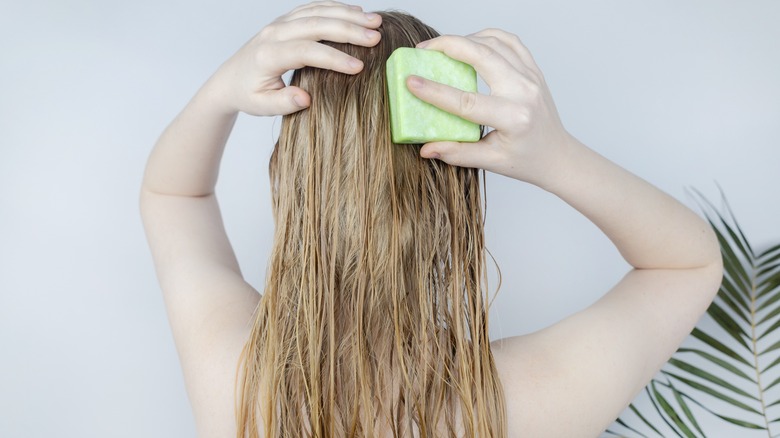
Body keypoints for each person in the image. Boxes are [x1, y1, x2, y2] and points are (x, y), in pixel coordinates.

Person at [140, 1, 723, 436]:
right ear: (455, 190)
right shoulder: (518, 406)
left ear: (296, 174)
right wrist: (556, 156)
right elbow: (686, 265)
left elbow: (174, 197)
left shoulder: (240, 387)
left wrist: (219, 91)